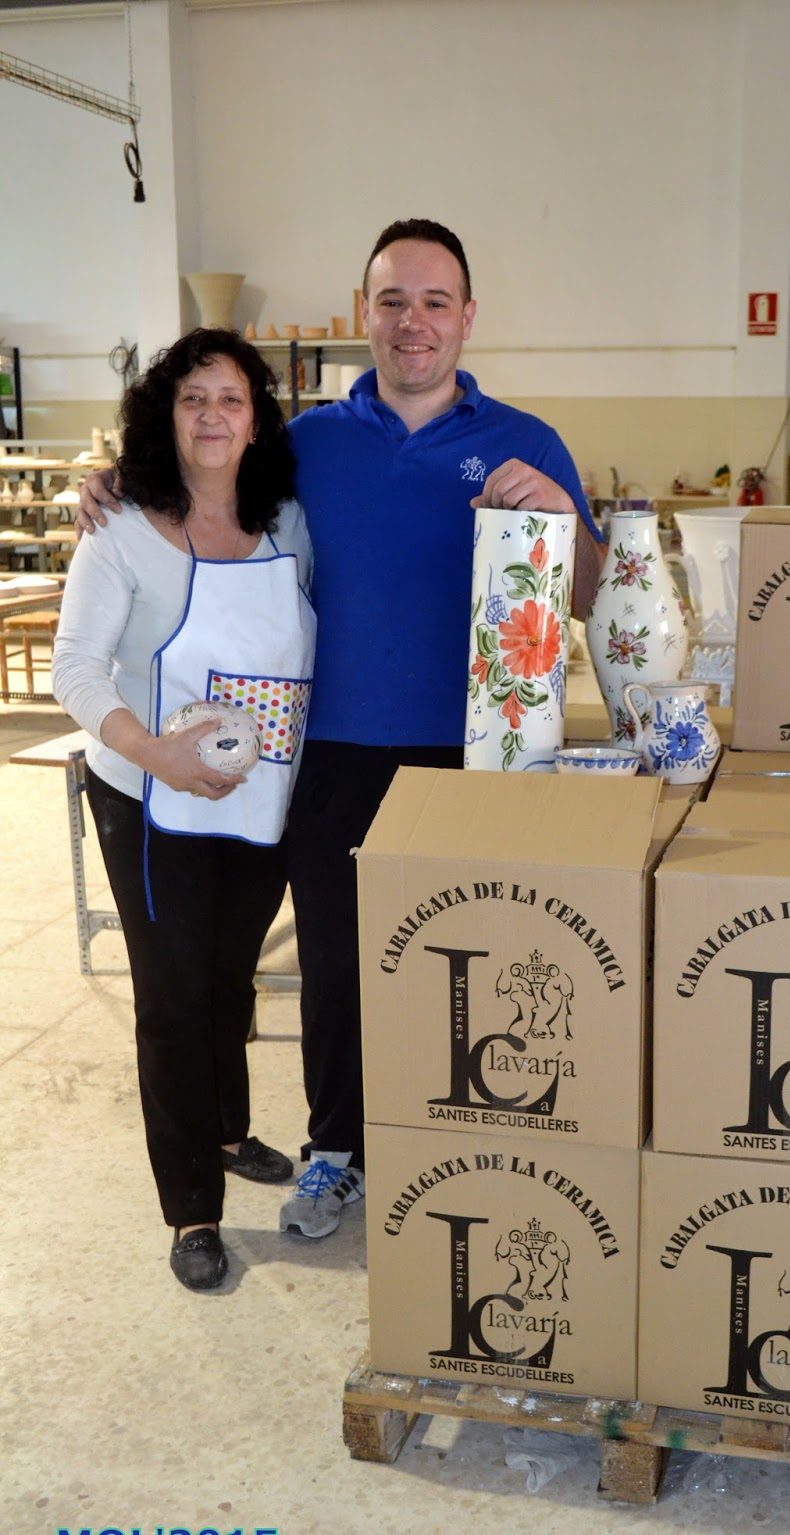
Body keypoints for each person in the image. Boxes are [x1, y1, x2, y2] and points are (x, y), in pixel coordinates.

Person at [75, 219, 605, 1243]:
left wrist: (559, 513)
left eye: (435, 301)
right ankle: (336, 1151)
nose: (413, 322)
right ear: (367, 313)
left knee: (470, 958)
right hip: (328, 753)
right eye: (392, 301)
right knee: (336, 964)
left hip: (475, 756)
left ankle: (462, 1136)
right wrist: (116, 486)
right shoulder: (310, 443)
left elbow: (585, 596)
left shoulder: (528, 441)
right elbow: (205, 476)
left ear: (467, 315)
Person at [54, 328, 316, 1291]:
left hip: (256, 798)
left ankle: (229, 1130)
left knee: (229, 976)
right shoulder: (121, 526)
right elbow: (76, 668)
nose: (212, 416)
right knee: (172, 997)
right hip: (147, 796)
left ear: (256, 422)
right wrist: (153, 752)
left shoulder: (287, 521)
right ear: (164, 416)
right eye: (192, 398)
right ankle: (192, 1207)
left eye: (231, 399)